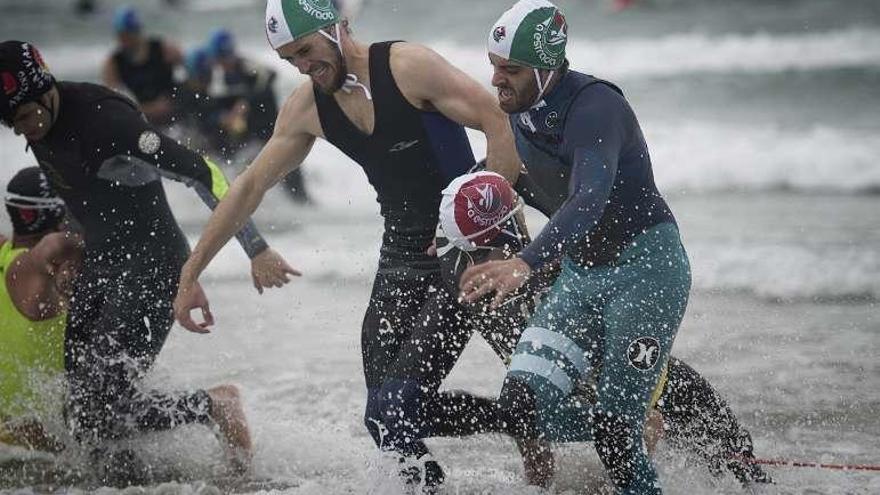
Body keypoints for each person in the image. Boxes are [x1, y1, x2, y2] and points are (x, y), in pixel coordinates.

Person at [172, 0, 535, 488]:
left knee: (539, 376)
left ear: (334, 28)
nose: (303, 67)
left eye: (305, 51)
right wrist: (191, 272)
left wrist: (484, 225)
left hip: (472, 248)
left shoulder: (407, 67)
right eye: (290, 60)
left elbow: (498, 118)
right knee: (383, 418)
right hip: (404, 254)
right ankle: (510, 426)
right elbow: (249, 187)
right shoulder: (308, 105)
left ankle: (609, 416)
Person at [0, 40, 290, 474]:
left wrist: (253, 249)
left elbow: (203, 173)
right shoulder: (41, 126)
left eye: (24, 117)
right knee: (80, 414)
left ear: (44, 89)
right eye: (12, 124)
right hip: (102, 264)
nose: (24, 130)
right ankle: (133, 478)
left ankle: (214, 406)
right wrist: (73, 256)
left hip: (152, 268)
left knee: (101, 410)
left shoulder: (106, 121)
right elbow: (82, 200)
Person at [459, 1, 691, 492]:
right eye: (494, 67)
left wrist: (525, 261)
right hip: (582, 276)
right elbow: (495, 184)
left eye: (512, 70)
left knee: (614, 433)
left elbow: (590, 197)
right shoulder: (521, 112)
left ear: (547, 68)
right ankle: (633, 424)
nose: (498, 80)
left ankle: (627, 429)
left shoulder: (595, 107)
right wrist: (462, 238)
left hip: (645, 270)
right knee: (523, 403)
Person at [437, 170, 771, 487]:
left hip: (643, 386)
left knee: (735, 466)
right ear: (510, 224)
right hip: (658, 389)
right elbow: (643, 423)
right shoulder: (561, 271)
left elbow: (526, 411)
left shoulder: (470, 286)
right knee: (741, 471)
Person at [0, 167, 78, 453]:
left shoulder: (4, 255)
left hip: (9, 432)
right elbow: (52, 245)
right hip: (37, 442)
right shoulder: (36, 274)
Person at [207, 28, 311, 203]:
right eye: (221, 58)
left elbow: (271, 75)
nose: (225, 63)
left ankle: (304, 206)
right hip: (247, 139)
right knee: (243, 174)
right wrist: (224, 118)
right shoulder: (217, 78)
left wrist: (245, 103)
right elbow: (211, 109)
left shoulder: (249, 68)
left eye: (227, 57)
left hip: (273, 131)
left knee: (293, 180)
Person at [102, 6, 183, 125]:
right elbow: (112, 102)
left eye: (127, 35)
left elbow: (191, 75)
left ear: (137, 31)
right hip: (144, 116)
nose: (123, 40)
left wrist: (176, 99)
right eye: (120, 36)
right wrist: (146, 109)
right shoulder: (114, 63)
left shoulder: (163, 48)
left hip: (172, 111)